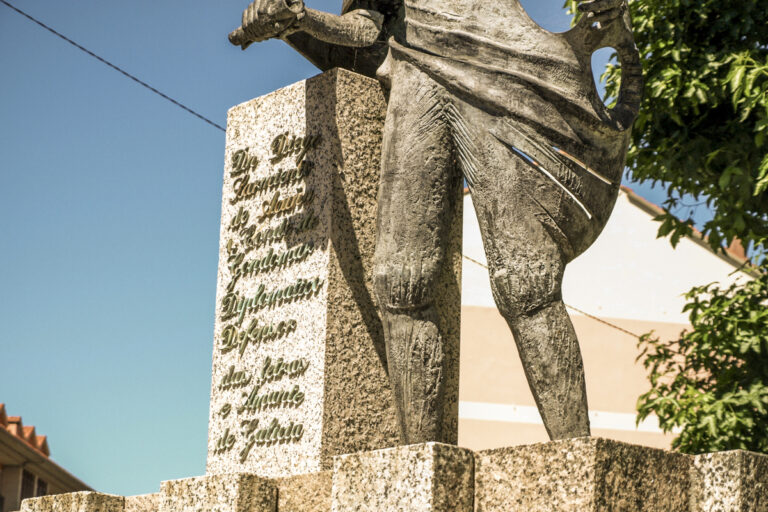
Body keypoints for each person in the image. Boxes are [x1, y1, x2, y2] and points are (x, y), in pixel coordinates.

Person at [229, 0, 643, 444]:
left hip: (498, 71)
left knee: (527, 284)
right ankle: (418, 465)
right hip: (418, 80)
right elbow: (366, 30)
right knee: (401, 283)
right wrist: (299, 19)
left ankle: (575, 455)